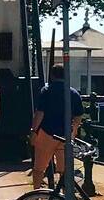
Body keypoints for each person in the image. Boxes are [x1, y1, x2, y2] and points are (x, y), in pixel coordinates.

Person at [30, 63, 84, 191]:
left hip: (46, 133)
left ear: (52, 75)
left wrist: (34, 131)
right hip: (65, 135)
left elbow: (40, 113)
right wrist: (73, 131)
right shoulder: (73, 93)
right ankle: (66, 197)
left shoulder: (46, 91)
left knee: (39, 168)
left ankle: (36, 194)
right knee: (65, 170)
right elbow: (78, 116)